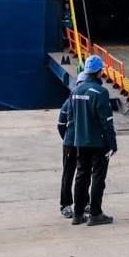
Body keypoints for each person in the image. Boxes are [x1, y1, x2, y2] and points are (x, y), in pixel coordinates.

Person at [57, 55, 118, 226]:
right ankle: (95, 214)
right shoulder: (101, 92)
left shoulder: (75, 92)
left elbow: (69, 119)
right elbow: (106, 121)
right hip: (98, 144)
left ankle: (77, 214)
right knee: (98, 178)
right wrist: (112, 144)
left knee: (80, 177)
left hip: (79, 143)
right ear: (100, 71)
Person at [55, 70, 87, 218]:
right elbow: (61, 124)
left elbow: (62, 124)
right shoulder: (70, 102)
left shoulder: (77, 100)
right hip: (75, 143)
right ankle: (66, 204)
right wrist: (68, 140)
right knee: (70, 174)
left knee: (83, 173)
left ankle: (84, 202)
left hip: (83, 142)